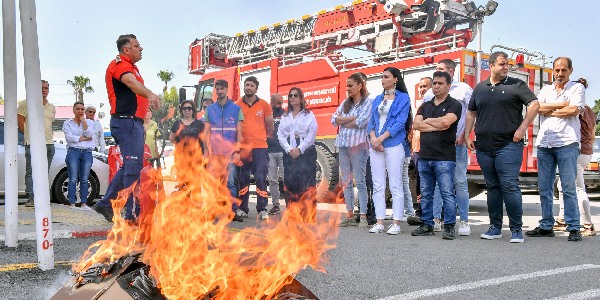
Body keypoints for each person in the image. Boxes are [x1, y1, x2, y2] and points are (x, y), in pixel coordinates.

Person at [464, 51, 539, 243]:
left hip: (509, 145)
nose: (506, 67)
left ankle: (516, 230)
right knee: (493, 187)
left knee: (509, 186)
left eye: (507, 64)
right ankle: (495, 227)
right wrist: (467, 135)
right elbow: (471, 113)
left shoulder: (517, 85)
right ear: (491, 66)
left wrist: (523, 128)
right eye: (502, 64)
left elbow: (534, 104)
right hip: (484, 147)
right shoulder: (480, 88)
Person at [93, 34, 161, 222]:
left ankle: (106, 204)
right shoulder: (119, 64)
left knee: (131, 166)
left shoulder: (132, 67)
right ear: (126, 49)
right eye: (137, 46)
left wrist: (148, 98)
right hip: (126, 122)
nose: (141, 49)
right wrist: (151, 94)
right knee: (132, 167)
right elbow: (131, 84)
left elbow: (136, 86)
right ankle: (130, 214)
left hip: (134, 123)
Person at [526, 57, 584, 242]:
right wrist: (562, 105)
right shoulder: (545, 89)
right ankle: (546, 226)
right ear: (553, 71)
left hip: (567, 143)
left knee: (568, 188)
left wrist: (549, 110)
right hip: (545, 143)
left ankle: (574, 227)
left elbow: (574, 110)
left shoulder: (576, 88)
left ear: (570, 70)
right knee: (544, 187)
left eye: (563, 70)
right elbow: (536, 108)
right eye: (557, 70)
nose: (559, 74)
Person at [422, 59, 473, 235]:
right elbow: (419, 120)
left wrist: (464, 135)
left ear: (451, 71)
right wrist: (433, 125)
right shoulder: (429, 94)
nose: (436, 73)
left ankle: (464, 221)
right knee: (436, 185)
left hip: (456, 144)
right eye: (435, 70)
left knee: (459, 182)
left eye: (440, 69)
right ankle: (435, 219)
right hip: (434, 146)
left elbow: (472, 114)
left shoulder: (464, 90)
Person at [410, 71, 462, 240]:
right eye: (435, 83)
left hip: (444, 158)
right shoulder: (425, 105)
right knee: (425, 193)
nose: (436, 86)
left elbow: (447, 122)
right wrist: (437, 124)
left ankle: (449, 226)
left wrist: (428, 122)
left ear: (448, 85)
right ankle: (427, 224)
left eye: (440, 83)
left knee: (447, 193)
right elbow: (416, 124)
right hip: (425, 156)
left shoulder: (455, 104)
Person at [366, 67, 411, 234]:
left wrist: (381, 139)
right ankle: (379, 221)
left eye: (386, 77)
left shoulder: (403, 98)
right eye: (382, 77)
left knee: (395, 184)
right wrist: (373, 139)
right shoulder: (377, 99)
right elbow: (371, 121)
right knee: (378, 184)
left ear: (395, 79)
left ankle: (397, 223)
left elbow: (400, 122)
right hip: (376, 146)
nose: (382, 80)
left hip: (393, 144)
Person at [555, 78, 596, 237]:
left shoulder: (575, 109)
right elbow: (592, 135)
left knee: (578, 189)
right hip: (586, 152)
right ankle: (562, 219)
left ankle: (587, 224)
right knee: (561, 185)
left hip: (576, 151)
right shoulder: (589, 110)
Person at [332, 73, 372, 228]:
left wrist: (343, 121)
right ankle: (349, 214)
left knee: (360, 181)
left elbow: (362, 123)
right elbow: (333, 119)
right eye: (347, 86)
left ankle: (363, 215)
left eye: (350, 85)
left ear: (360, 86)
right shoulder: (345, 103)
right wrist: (350, 119)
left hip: (358, 146)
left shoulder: (368, 103)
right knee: (346, 181)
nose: (347, 88)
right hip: (343, 145)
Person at [204, 79, 244, 222]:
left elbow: (239, 132)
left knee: (231, 183)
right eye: (217, 89)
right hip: (214, 154)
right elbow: (206, 133)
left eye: (221, 89)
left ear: (227, 90)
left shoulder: (236, 109)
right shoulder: (209, 110)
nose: (219, 91)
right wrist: (206, 153)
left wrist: (237, 151)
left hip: (230, 153)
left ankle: (232, 212)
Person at [235, 76, 274, 220]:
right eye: (246, 85)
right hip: (243, 148)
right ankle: (243, 208)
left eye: (251, 85)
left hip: (260, 147)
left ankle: (262, 209)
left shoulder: (264, 105)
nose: (248, 88)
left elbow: (270, 126)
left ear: (256, 88)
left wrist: (262, 139)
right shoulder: (237, 104)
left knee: (260, 177)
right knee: (242, 178)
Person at [18, 80, 56, 208]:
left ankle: (43, 197)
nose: (44, 90)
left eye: (46, 88)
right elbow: (20, 123)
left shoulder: (51, 107)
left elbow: (49, 125)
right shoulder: (25, 104)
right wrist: (33, 137)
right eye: (41, 88)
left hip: (49, 144)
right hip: (33, 144)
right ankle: (31, 198)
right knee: (31, 172)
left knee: (44, 172)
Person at [278, 87, 318, 208]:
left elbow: (312, 134)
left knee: (306, 185)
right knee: (290, 185)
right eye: (290, 96)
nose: (293, 98)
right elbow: (280, 135)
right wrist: (289, 149)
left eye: (296, 95)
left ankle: (308, 215)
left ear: (301, 98)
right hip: (289, 153)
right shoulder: (285, 116)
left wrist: (299, 149)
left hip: (306, 153)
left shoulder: (309, 115)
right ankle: (292, 214)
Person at [62, 102, 95, 209]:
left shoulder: (89, 122)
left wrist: (83, 122)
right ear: (73, 110)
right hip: (73, 152)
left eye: (82, 109)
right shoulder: (68, 123)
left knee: (85, 179)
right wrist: (83, 138)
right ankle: (72, 203)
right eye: (78, 109)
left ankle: (84, 203)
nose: (80, 111)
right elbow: (69, 138)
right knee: (72, 178)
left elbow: (90, 135)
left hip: (87, 152)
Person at [267, 93, 285, 215]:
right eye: (278, 103)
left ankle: (291, 205)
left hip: (283, 151)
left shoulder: (285, 114)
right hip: (269, 152)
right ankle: (275, 204)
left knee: (286, 179)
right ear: (272, 102)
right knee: (272, 179)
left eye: (281, 103)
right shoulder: (266, 113)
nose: (280, 105)